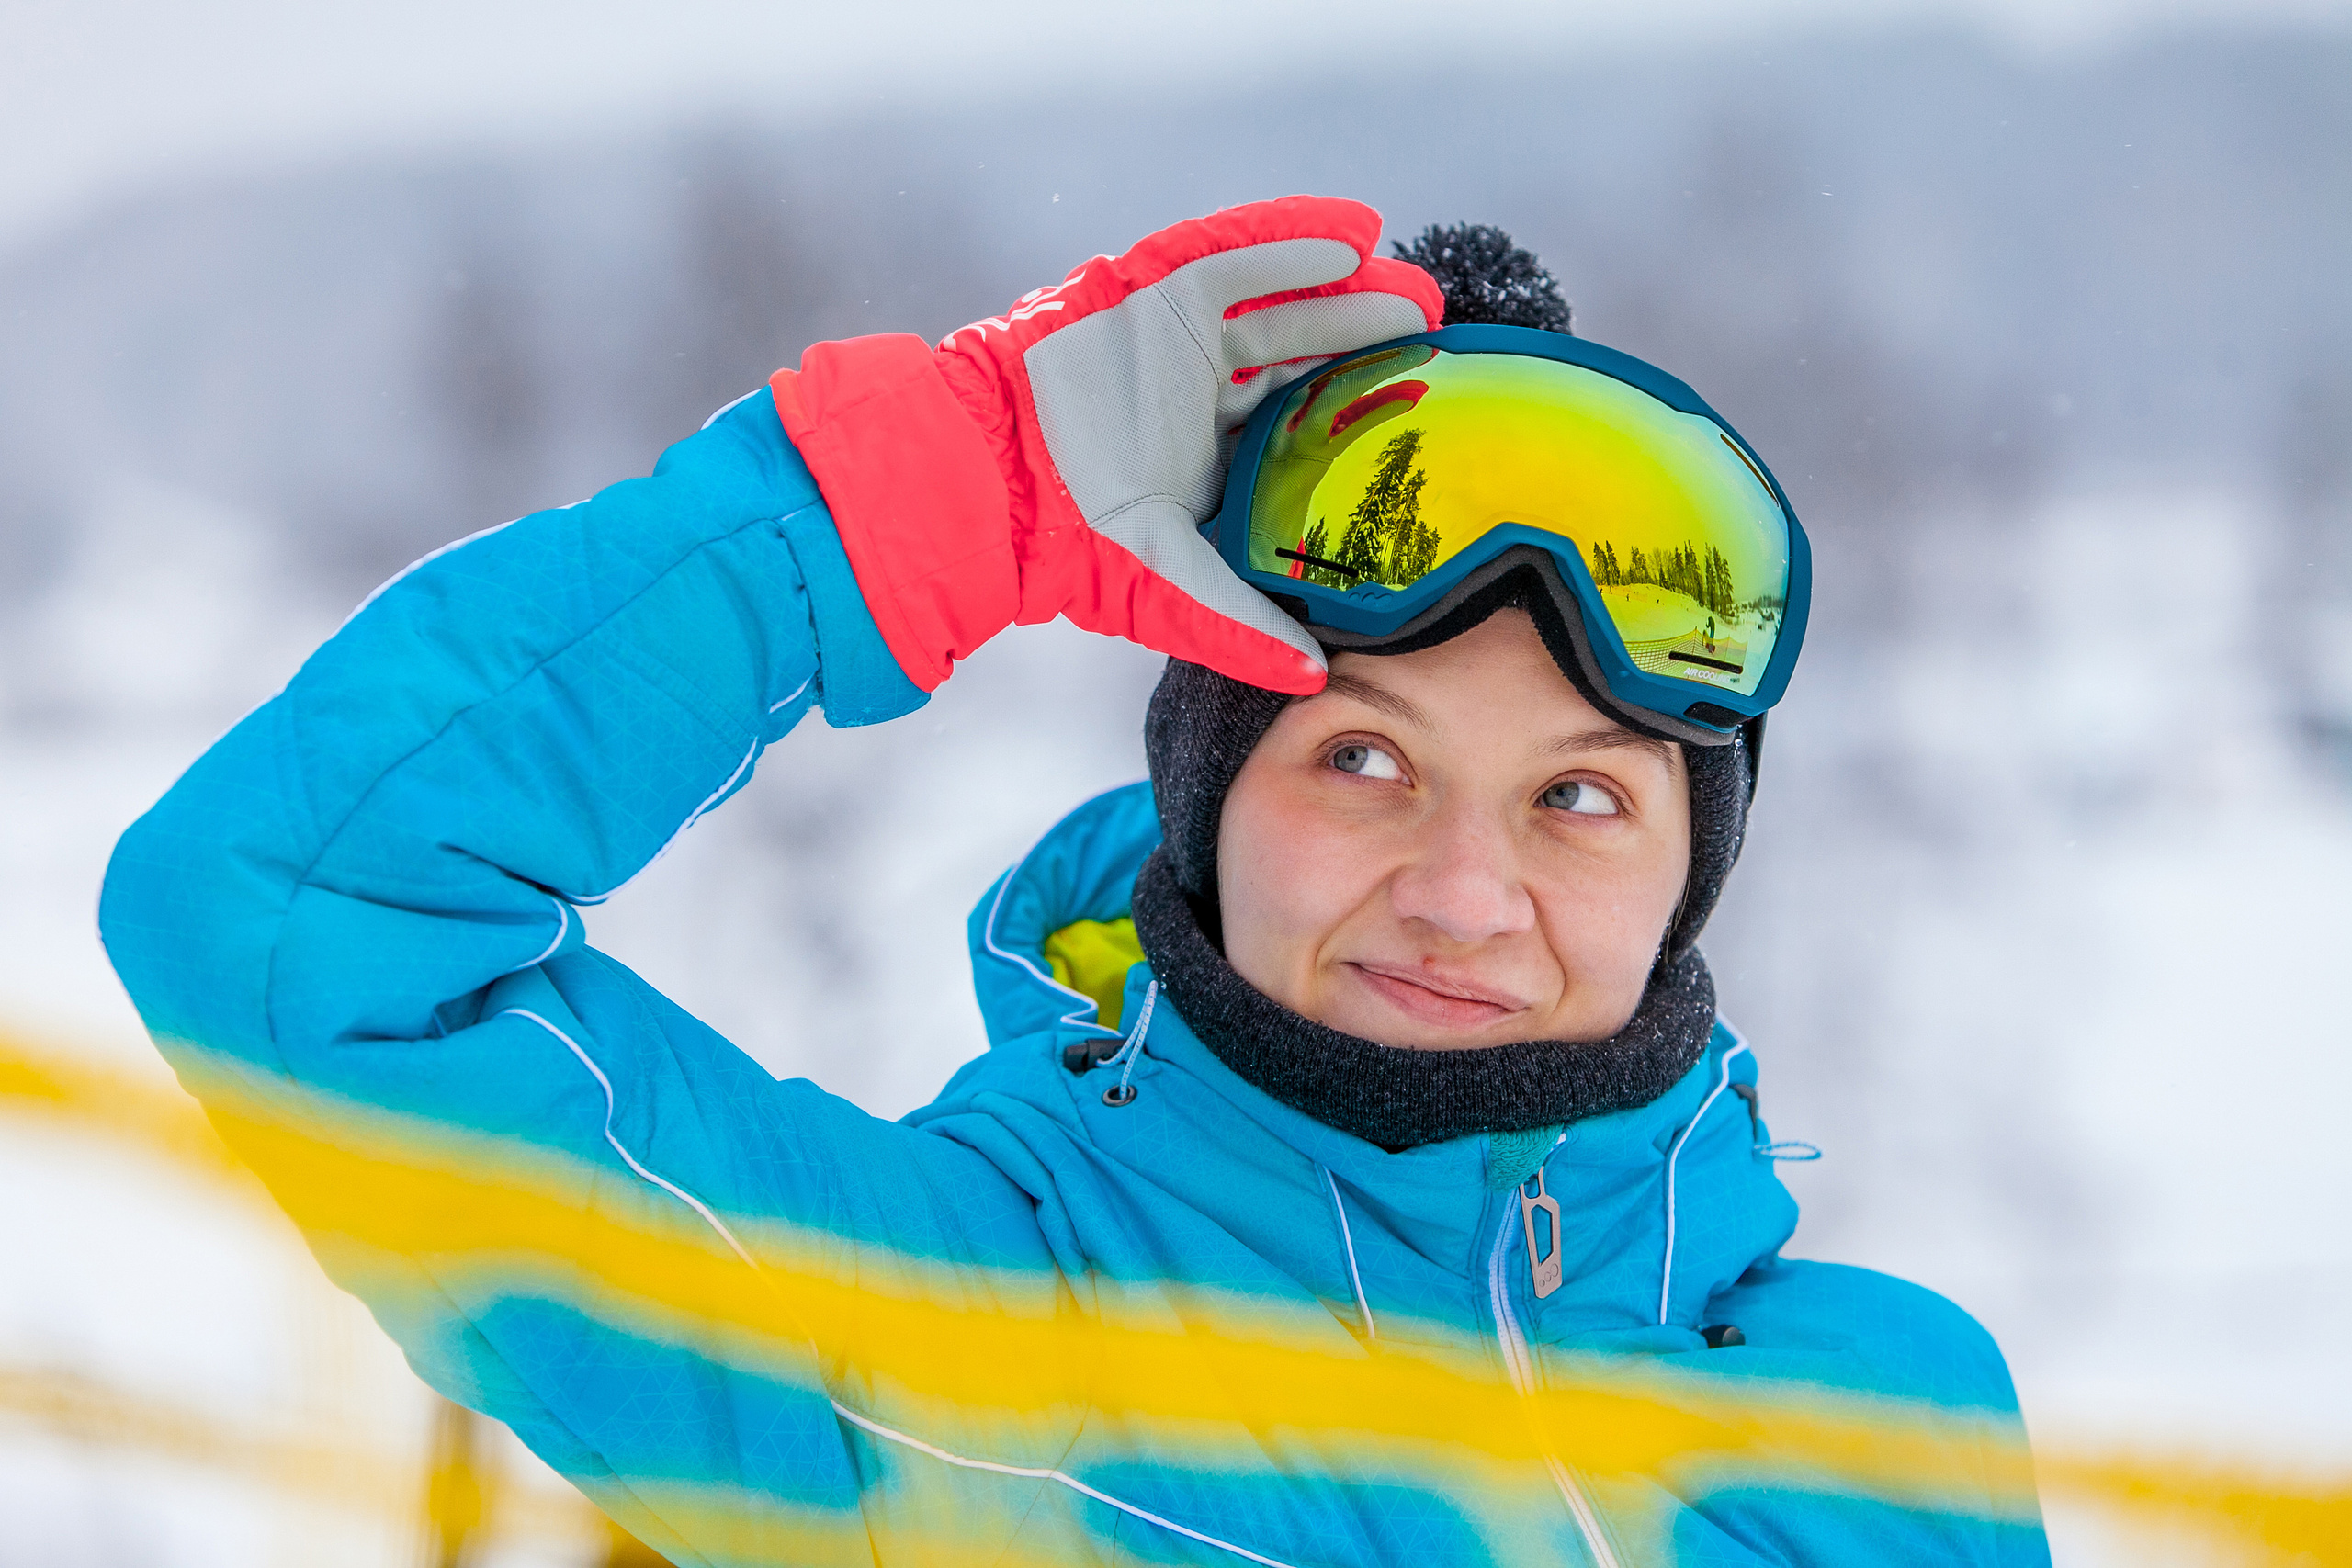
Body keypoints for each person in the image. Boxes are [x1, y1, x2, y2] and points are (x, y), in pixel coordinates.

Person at [99, 198, 2048, 1566]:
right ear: (1200, 793)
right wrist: (918, 501)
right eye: (1360, 756)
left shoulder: (1881, 1413)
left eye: (1578, 800)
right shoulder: (933, 1338)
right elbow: (293, 921)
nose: (1464, 891)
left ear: (1690, 864)